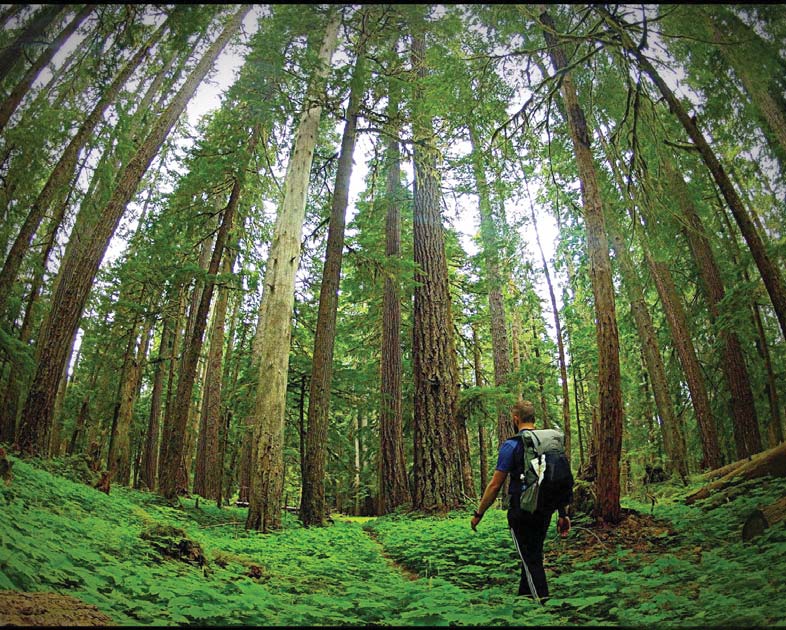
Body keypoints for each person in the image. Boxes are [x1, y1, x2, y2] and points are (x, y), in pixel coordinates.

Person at [470, 400, 573, 602]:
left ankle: (543, 606)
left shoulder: (511, 445)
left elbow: (494, 485)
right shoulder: (547, 444)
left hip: (521, 512)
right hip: (545, 510)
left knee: (530, 560)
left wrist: (479, 514)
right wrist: (563, 514)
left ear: (516, 419)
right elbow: (556, 478)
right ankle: (523, 603)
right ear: (533, 419)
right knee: (532, 555)